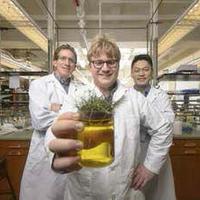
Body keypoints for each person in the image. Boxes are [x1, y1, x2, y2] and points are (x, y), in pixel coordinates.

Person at [45, 35, 173, 200]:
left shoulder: (134, 98)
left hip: (124, 191)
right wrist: (55, 156)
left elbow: (163, 128)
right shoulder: (77, 97)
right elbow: (55, 130)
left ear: (118, 65)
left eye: (111, 62)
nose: (105, 68)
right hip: (84, 192)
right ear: (90, 66)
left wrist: (150, 167)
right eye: (98, 62)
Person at [20, 44, 81, 200]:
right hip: (43, 154)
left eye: (71, 60)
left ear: (75, 66)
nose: (67, 63)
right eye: (63, 58)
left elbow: (85, 118)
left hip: (70, 151)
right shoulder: (39, 85)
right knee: (43, 194)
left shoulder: (81, 88)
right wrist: (70, 116)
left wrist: (54, 108)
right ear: (54, 62)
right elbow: (39, 120)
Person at [131, 54, 176, 200]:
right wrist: (152, 124)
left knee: (158, 194)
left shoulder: (161, 96)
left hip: (157, 152)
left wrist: (144, 124)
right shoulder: (126, 96)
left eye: (145, 69)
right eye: (137, 70)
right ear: (132, 73)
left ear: (151, 72)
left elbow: (167, 124)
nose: (141, 73)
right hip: (134, 152)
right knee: (136, 192)